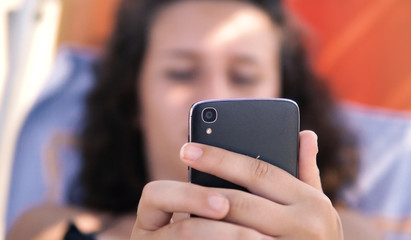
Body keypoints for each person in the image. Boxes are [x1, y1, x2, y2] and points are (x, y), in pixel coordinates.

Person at [7, 0, 381, 239]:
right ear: (133, 100)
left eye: (244, 76)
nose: (212, 92)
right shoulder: (47, 230)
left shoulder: (349, 235)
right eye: (181, 73)